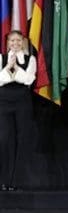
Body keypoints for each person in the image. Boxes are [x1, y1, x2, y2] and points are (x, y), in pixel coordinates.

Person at [0, 30, 37, 191]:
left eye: (18, 41)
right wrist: (9, 66)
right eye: (12, 41)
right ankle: (5, 180)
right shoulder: (1, 58)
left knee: (22, 138)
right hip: (4, 101)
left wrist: (15, 69)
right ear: (8, 43)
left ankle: (17, 180)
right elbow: (0, 81)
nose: (15, 44)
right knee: (5, 139)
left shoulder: (31, 59)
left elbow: (28, 79)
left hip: (22, 101)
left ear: (22, 42)